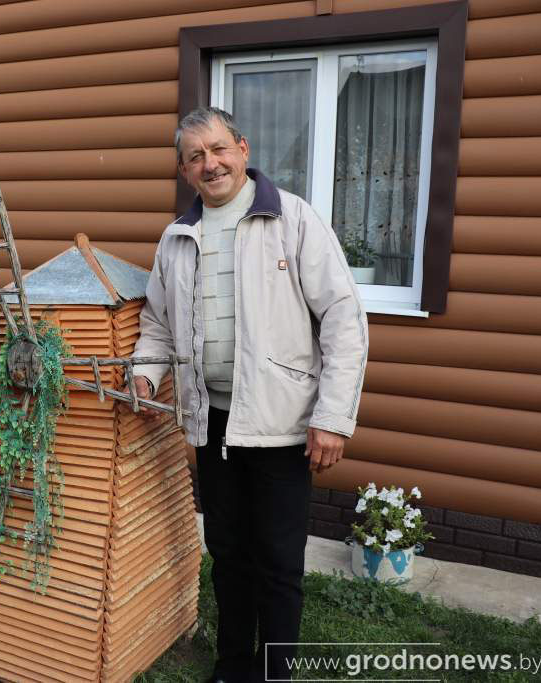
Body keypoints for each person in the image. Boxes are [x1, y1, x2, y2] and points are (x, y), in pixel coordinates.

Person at [132, 107, 368, 682]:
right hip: (211, 423)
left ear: (242, 148)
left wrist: (333, 416)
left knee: (279, 562)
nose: (209, 164)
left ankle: (275, 672)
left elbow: (343, 318)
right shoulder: (177, 237)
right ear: (184, 171)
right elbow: (158, 324)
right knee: (228, 554)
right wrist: (145, 373)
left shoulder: (292, 219)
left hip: (282, 426)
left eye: (218, 149)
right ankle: (233, 664)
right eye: (195, 157)